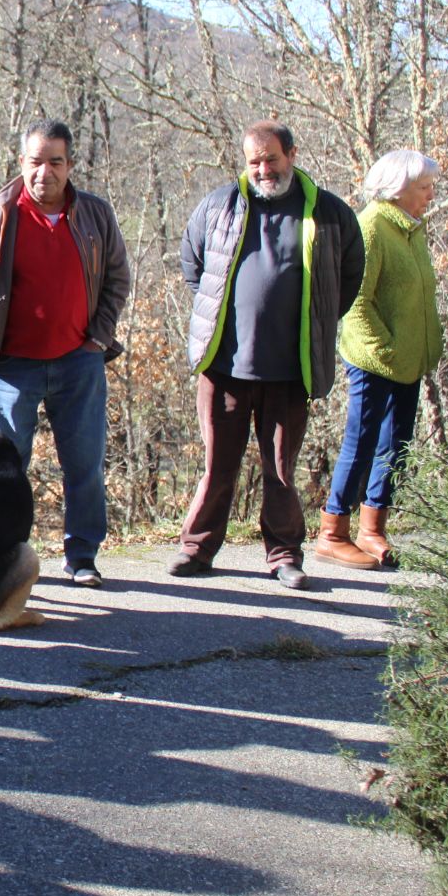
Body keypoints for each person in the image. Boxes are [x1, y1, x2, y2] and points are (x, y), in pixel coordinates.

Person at [170, 120, 364, 589]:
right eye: (253, 161)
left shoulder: (331, 213)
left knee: (281, 469)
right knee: (218, 465)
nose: (262, 169)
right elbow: (194, 267)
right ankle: (196, 549)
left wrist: (313, 322)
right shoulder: (219, 206)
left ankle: (284, 556)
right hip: (225, 365)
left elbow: (348, 279)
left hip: (290, 368)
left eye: (271, 159)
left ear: (292, 155)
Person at [0, 119, 132, 587]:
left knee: (85, 466)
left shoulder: (95, 213)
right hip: (11, 368)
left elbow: (117, 277)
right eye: (36, 162)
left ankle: (82, 557)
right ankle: (3, 555)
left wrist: (99, 335)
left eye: (55, 162)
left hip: (79, 361)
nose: (44, 172)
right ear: (22, 163)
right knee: (1, 472)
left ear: (70, 165)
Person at [313, 150, 441, 571]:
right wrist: (383, 348)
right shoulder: (371, 227)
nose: (430, 195)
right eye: (423, 189)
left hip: (406, 361)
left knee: (396, 443)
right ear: (399, 190)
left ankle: (373, 528)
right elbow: (355, 302)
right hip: (373, 358)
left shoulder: (410, 230)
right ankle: (333, 531)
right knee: (362, 440)